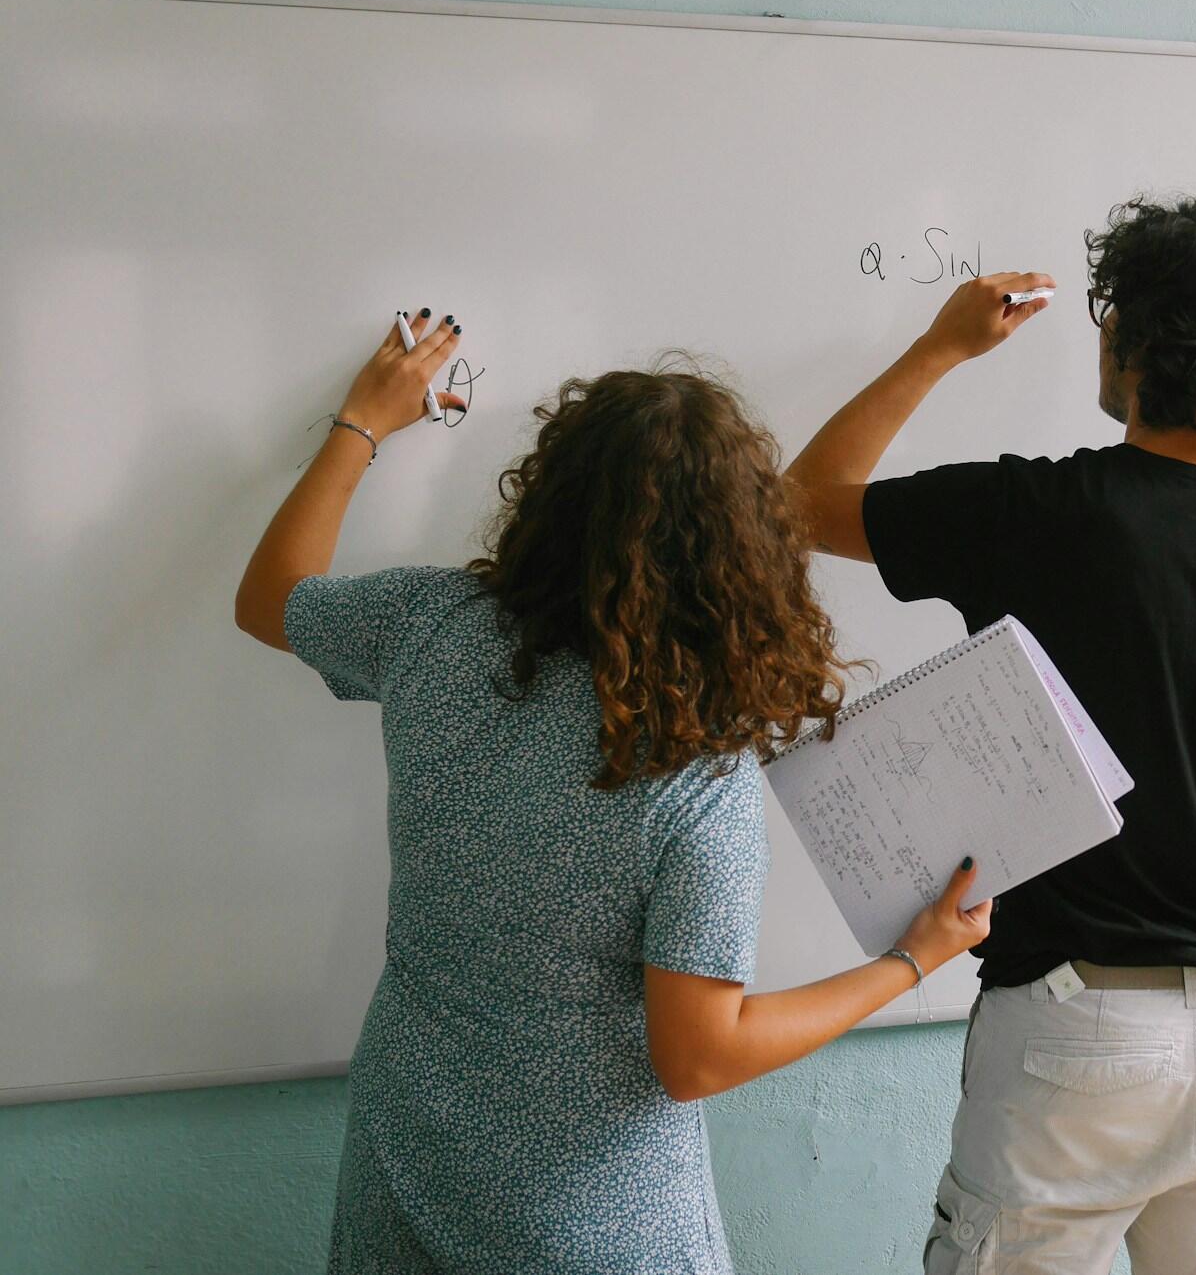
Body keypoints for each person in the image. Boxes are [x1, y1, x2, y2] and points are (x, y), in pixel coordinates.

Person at [234, 312, 990, 1275]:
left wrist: (361, 424)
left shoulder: (430, 628)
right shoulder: (693, 776)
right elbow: (698, 1059)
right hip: (592, 1227)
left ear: (548, 500)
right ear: (740, 559)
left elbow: (270, 597)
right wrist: (911, 962)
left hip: (406, 1171)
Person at [785, 196, 1196, 1275]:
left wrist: (937, 350)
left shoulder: (1033, 513)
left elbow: (796, 502)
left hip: (1074, 1033)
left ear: (1142, 340)